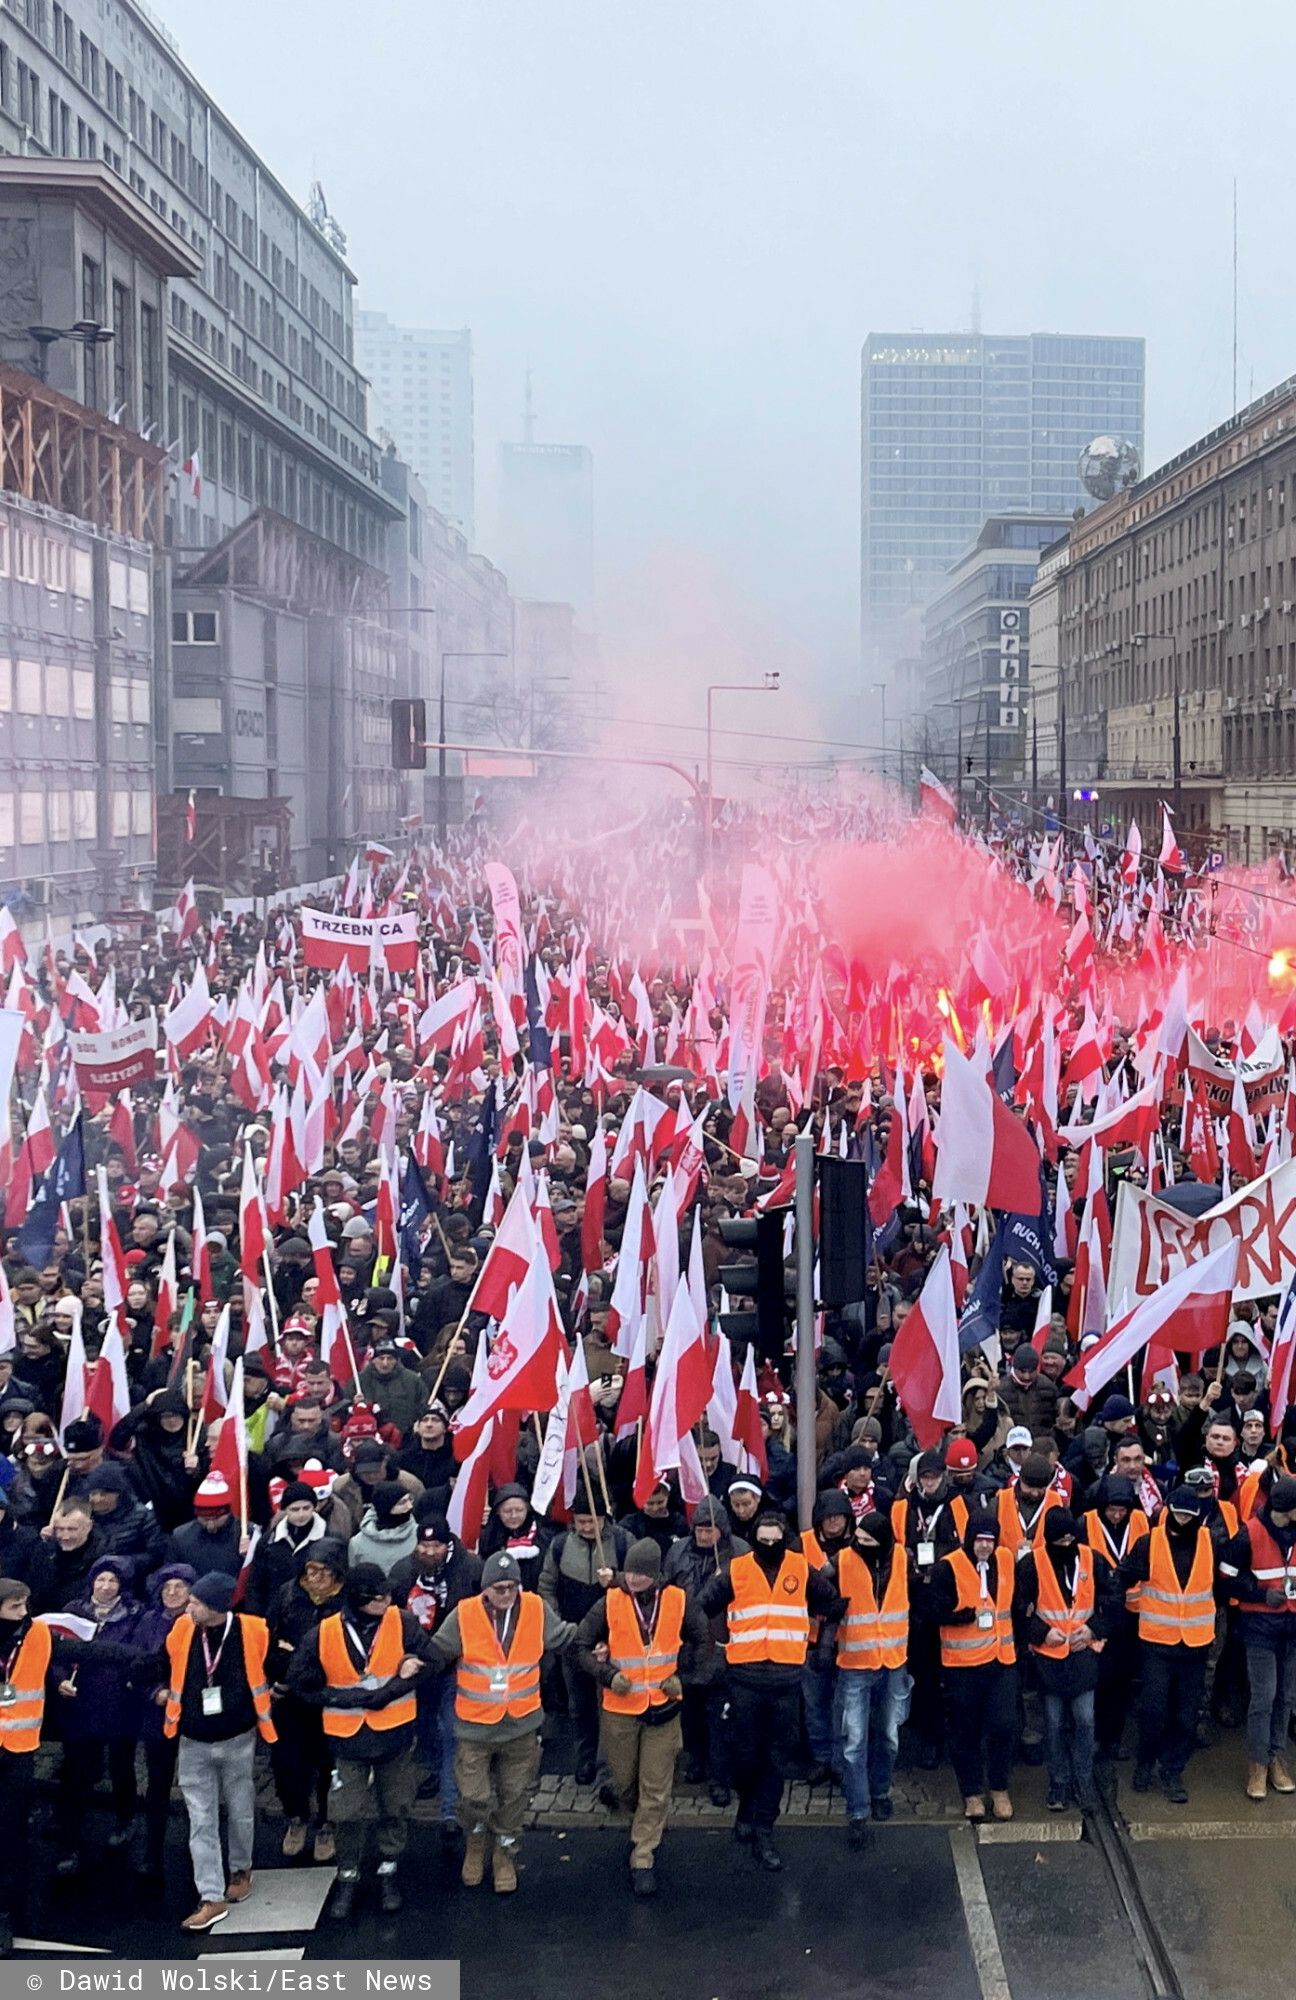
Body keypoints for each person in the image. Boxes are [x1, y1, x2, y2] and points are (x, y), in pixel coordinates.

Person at [287, 1562, 433, 1918]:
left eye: (387, 1595)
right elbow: (300, 1683)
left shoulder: (403, 1622)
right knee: (346, 1812)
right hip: (346, 1739)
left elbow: (431, 1659)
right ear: (357, 1599)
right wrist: (344, 1699)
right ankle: (348, 1875)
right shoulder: (322, 1634)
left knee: (395, 1806)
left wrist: (393, 1689)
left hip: (395, 1736)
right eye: (377, 1597)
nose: (386, 1600)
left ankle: (389, 1871)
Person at [699, 1507, 841, 1872]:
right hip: (743, 1679)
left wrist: (821, 1641)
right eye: (762, 1542)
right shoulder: (736, 1569)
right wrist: (713, 1646)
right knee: (744, 1757)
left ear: (785, 1540)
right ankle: (746, 1807)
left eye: (775, 1542)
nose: (768, 1547)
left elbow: (832, 1602)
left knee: (777, 1761)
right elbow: (701, 1608)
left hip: (785, 1682)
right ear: (754, 1541)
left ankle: (764, 1828)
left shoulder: (799, 1568)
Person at [429, 1550, 576, 1895]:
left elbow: (565, 1637)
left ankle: (505, 1853)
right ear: (485, 1589)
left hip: (521, 1726)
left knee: (514, 1796)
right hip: (474, 1727)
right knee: (473, 1796)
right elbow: (436, 1651)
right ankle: (476, 1840)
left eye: (511, 1587)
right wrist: (405, 1661)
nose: (506, 1595)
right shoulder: (464, 1614)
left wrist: (599, 1640)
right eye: (499, 1589)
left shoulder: (537, 1609)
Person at [575, 1537, 713, 1896]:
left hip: (664, 1709)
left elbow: (704, 1643)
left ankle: (643, 1853)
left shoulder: (679, 1600)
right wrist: (607, 1675)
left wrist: (684, 1678)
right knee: (624, 1783)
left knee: (656, 1785)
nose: (633, 1579)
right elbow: (580, 1646)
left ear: (656, 1575)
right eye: (630, 1572)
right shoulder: (610, 1601)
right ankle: (637, 1819)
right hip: (621, 1708)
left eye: (641, 1574)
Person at [162, 1570, 278, 1933]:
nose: (187, 1606)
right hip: (193, 1739)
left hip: (238, 1738)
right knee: (201, 1818)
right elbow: (165, 1663)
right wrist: (155, 1690)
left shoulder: (254, 1630)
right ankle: (211, 1896)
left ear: (215, 1607)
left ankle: (241, 1869)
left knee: (241, 1808)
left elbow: (270, 1666)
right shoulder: (182, 1629)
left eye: (195, 1602)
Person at [1118, 1486, 1219, 1804]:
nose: (1183, 1521)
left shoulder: (1209, 1542)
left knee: (1187, 1715)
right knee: (1153, 1709)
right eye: (1178, 1514)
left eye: (1189, 1516)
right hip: (1157, 1643)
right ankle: (1146, 1762)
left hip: (1196, 1644)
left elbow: (1222, 1579)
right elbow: (1122, 1577)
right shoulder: (1149, 1542)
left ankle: (1172, 1769)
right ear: (1168, 1511)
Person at [390, 1509, 481, 1832]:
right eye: (424, 1546)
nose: (429, 1552)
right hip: (418, 1663)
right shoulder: (404, 1572)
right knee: (425, 1724)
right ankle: (431, 1770)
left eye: (436, 1546)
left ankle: (450, 1809)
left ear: (448, 1545)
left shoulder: (470, 1568)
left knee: (450, 1731)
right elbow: (392, 1618)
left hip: (457, 1663)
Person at [52, 1555, 143, 1874]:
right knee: (76, 1773)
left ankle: (125, 1818)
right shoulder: (72, 1612)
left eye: (113, 1581)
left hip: (120, 1706)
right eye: (100, 1579)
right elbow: (55, 1654)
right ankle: (71, 1838)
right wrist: (60, 1678)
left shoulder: (135, 1615)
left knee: (121, 1768)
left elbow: (137, 1656)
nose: (105, 1587)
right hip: (80, 1705)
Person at [829, 1509, 910, 1846]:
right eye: (857, 1538)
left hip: (893, 1660)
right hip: (855, 1662)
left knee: (889, 1737)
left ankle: (879, 1791)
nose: (859, 1544)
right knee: (854, 1742)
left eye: (867, 1541)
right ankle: (859, 1810)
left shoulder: (902, 1559)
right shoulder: (841, 1561)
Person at [266, 1537, 348, 1863]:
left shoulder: (346, 1601)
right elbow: (269, 1641)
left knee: (329, 1764)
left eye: (324, 1571)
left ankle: (327, 1822)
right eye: (311, 1570)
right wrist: (287, 1662)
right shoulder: (288, 1595)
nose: (315, 1577)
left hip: (329, 1696)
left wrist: (297, 1653)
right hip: (290, 1696)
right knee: (287, 1763)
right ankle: (296, 1817)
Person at [1016, 1510, 1104, 1810]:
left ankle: (1083, 1779)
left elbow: (1111, 1600)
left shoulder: (1092, 1559)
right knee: (1052, 1723)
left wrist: (1094, 1629)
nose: (1066, 1543)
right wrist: (1040, 1633)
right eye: (1060, 1538)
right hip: (1048, 1659)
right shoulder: (1031, 1564)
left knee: (1085, 1719)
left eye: (1070, 1537)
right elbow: (1018, 1608)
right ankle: (1058, 1781)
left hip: (1083, 1654)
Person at [934, 1515, 1018, 1822]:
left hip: (1002, 1660)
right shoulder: (948, 1566)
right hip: (963, 1667)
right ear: (969, 1539)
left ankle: (999, 1788)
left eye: (990, 1540)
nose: (985, 1546)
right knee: (964, 1732)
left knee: (1003, 1726)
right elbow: (931, 1609)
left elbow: (1014, 1603)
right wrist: (960, 1616)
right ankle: (972, 1793)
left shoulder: (1005, 1560)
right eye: (979, 1540)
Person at [663, 1495, 744, 1806]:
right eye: (698, 1529)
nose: (703, 1534)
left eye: (709, 1529)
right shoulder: (678, 1551)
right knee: (691, 1714)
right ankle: (697, 1761)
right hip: (685, 1645)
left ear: (722, 1530)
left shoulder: (738, 1553)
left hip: (723, 1643)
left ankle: (720, 1778)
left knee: (721, 1719)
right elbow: (666, 1588)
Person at [1220, 1471, 1296, 1800]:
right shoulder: (1248, 1534)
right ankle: (1258, 1764)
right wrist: (1261, 1595)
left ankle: (1275, 1757)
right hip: (1260, 1629)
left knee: (1285, 1698)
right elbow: (1226, 1581)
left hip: (1291, 1628)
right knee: (1264, 1698)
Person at [537, 1502, 625, 1786]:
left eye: (592, 1521)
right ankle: (585, 1758)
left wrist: (614, 1580)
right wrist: (559, 1626)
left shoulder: (623, 1542)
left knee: (609, 1707)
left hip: (612, 1643)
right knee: (580, 1705)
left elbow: (638, 1587)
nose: (587, 1527)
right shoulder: (560, 1545)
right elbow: (547, 1587)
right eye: (581, 1521)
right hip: (572, 1642)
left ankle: (608, 1765)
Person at [131, 1563, 195, 1892]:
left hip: (195, 1718)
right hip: (158, 1717)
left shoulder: (200, 1622)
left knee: (199, 1788)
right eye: (167, 1587)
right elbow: (137, 1665)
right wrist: (154, 1692)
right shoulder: (148, 1622)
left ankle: (200, 1850)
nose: (172, 1593)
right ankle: (151, 1850)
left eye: (180, 1587)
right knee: (157, 1786)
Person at [1083, 1474, 1147, 1760]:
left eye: (1122, 1510)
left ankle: (1116, 1738)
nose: (1117, 1515)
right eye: (1112, 1510)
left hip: (1133, 1616)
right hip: (1099, 1614)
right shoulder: (1085, 1523)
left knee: (1122, 1681)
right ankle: (1096, 1737)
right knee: (1099, 1679)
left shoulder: (1142, 1522)